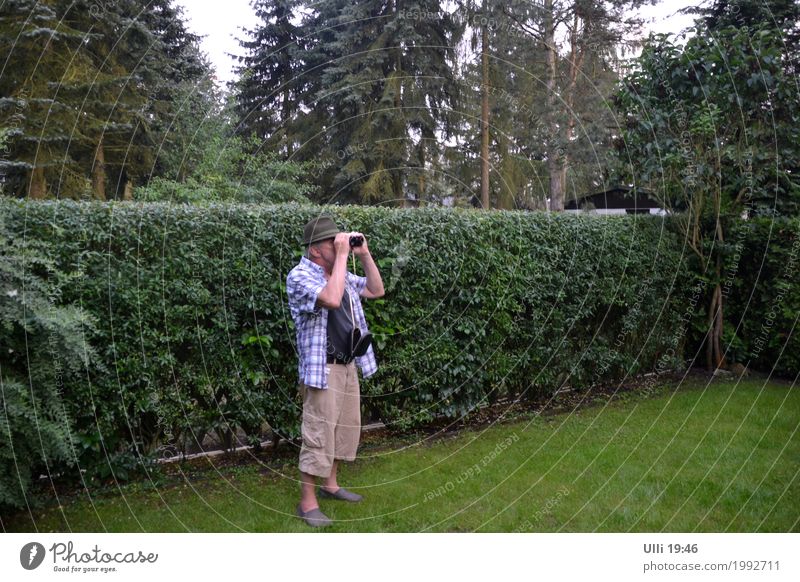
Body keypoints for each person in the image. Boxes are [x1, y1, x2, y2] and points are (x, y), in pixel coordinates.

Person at [286, 215, 385, 527]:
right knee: (318, 434)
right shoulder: (300, 276)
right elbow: (329, 298)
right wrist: (343, 256)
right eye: (333, 242)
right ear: (316, 250)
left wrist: (364, 254)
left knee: (343, 428)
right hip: (322, 369)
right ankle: (307, 503)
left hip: (347, 364)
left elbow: (376, 290)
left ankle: (330, 486)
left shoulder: (337, 271)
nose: (339, 245)